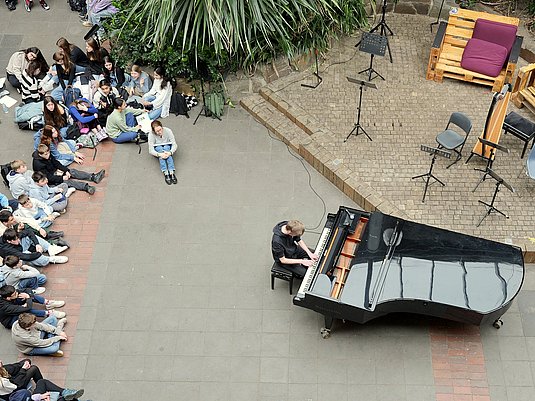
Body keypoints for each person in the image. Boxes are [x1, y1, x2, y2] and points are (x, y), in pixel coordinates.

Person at [32, 144, 103, 195]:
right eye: (45, 154)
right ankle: (86, 187)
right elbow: (48, 178)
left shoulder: (48, 155)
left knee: (72, 172)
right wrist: (62, 178)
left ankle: (93, 177)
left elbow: (56, 163)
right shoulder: (38, 165)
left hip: (55, 172)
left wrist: (66, 170)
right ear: (40, 155)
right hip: (49, 180)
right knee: (68, 182)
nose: (48, 155)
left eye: (48, 153)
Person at [0, 285, 65, 329]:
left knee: (25, 295)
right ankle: (48, 313)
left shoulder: (11, 294)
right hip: (11, 320)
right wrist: (28, 299)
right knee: (26, 311)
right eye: (14, 294)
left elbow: (27, 290)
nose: (17, 293)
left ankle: (48, 303)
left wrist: (28, 295)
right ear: (8, 298)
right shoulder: (5, 306)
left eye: (16, 292)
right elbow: (27, 308)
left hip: (15, 306)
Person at [0, 228, 68, 267]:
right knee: (27, 254)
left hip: (19, 248)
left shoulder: (12, 236)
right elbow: (25, 257)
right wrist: (38, 253)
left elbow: (29, 232)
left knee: (27, 237)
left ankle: (50, 248)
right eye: (15, 240)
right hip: (18, 257)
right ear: (9, 241)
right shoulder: (6, 249)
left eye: (18, 238)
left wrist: (37, 244)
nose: (18, 240)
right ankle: (49, 259)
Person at [148, 120, 177, 185]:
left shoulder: (168, 131)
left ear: (162, 127)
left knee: (166, 149)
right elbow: (151, 150)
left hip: (167, 145)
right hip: (158, 147)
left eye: (160, 129)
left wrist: (170, 152)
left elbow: (174, 144)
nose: (160, 132)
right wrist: (159, 154)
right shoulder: (151, 135)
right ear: (153, 131)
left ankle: (170, 172)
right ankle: (166, 172)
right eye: (157, 131)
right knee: (160, 150)